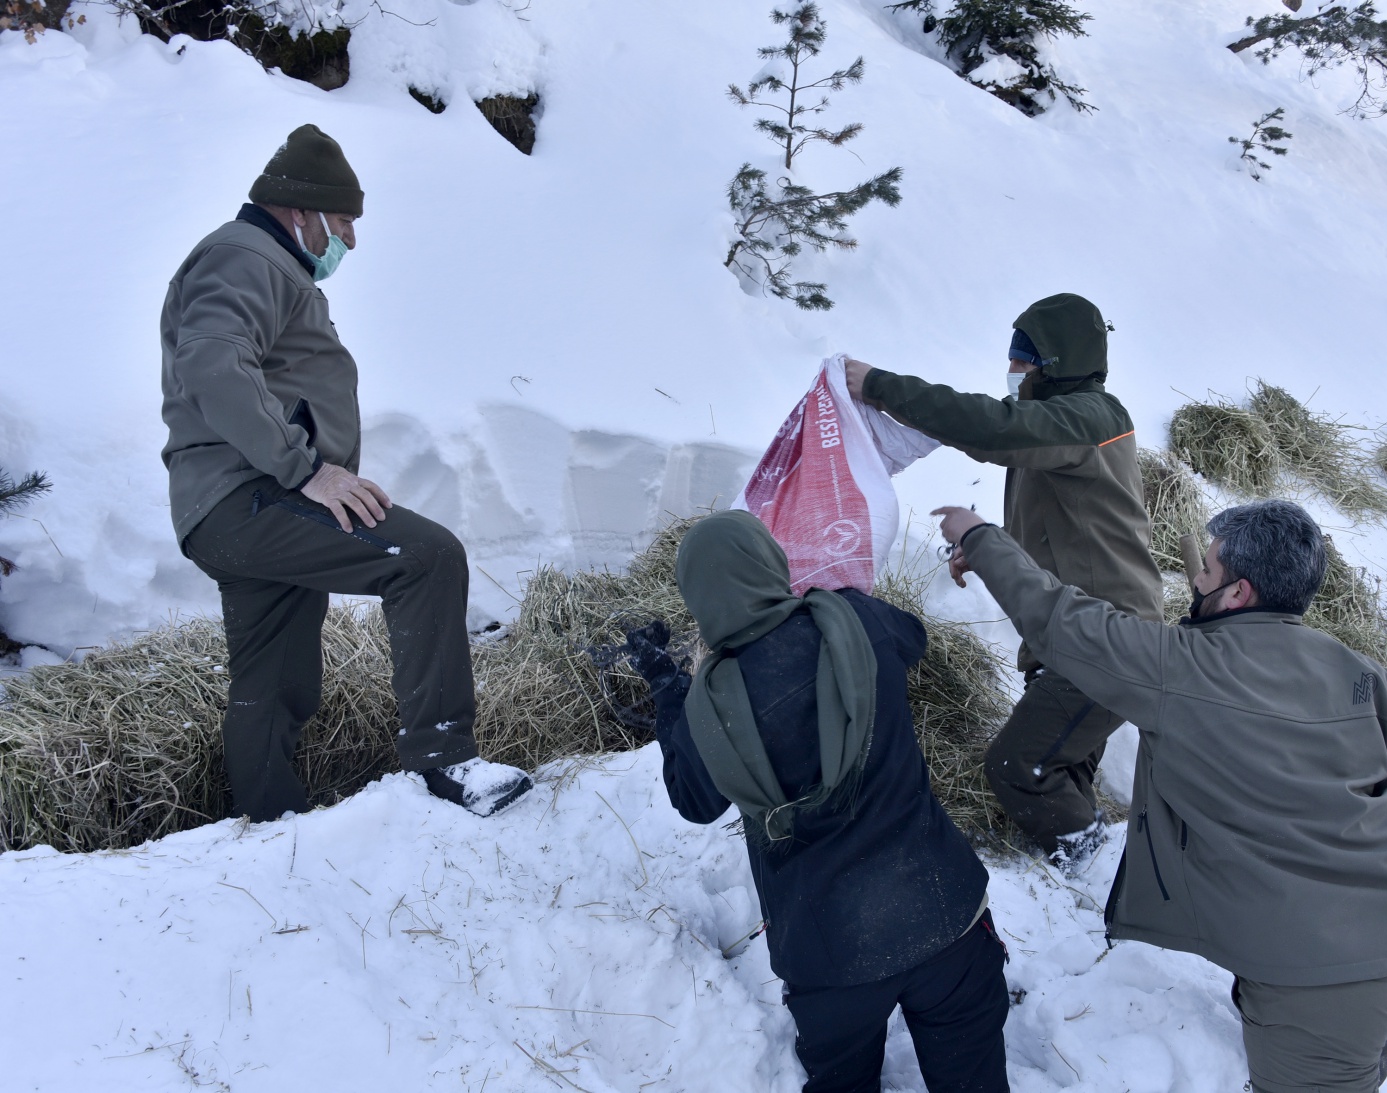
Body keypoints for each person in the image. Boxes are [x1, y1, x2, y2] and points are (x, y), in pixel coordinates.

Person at [930, 499, 1387, 1093]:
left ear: (1238, 593)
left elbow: (1061, 620)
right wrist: (1349, 837)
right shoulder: (1365, 675)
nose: (1195, 579)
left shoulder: (1180, 667)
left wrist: (977, 536)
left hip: (1318, 991)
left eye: (1205, 570)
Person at [160, 124, 532, 822]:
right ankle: (446, 761)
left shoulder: (266, 264)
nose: (350, 242)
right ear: (299, 211)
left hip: (229, 508)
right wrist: (306, 471)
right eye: (343, 222)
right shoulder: (244, 258)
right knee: (424, 557)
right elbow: (213, 363)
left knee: (272, 681)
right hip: (251, 495)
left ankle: (269, 825)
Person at [623, 510, 1009, 1093]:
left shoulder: (712, 709)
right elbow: (915, 640)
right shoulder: (854, 622)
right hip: (947, 916)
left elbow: (693, 801)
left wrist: (672, 692)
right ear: (770, 564)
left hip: (831, 961)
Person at [844, 294, 1163, 865]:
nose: (1014, 369)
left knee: (1021, 768)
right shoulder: (1061, 426)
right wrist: (990, 551)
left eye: (1024, 356)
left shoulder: (1089, 417)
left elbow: (989, 428)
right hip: (1081, 636)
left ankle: (1100, 874)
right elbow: (1061, 528)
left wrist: (880, 386)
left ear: (1055, 360)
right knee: (1058, 768)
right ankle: (1093, 883)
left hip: (1106, 642)